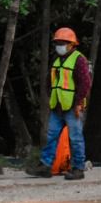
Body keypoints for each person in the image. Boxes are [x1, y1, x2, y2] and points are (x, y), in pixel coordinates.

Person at [29, 27, 89, 180]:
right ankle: (45, 166)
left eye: (63, 43)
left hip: (72, 106)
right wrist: (50, 97)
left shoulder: (79, 60)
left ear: (72, 44)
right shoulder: (57, 61)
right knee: (51, 136)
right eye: (58, 43)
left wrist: (78, 104)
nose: (59, 46)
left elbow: (85, 84)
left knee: (75, 138)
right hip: (57, 106)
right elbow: (51, 83)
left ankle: (78, 169)